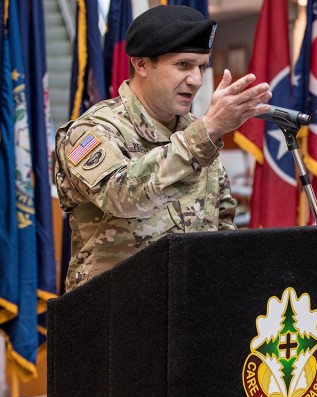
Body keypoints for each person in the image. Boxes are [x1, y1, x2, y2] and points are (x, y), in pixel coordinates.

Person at [54, 5, 272, 292]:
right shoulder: (91, 131)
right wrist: (205, 132)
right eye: (183, 65)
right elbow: (121, 196)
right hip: (113, 313)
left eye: (201, 66)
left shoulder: (195, 131)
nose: (195, 79)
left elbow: (222, 224)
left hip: (190, 310)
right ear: (141, 64)